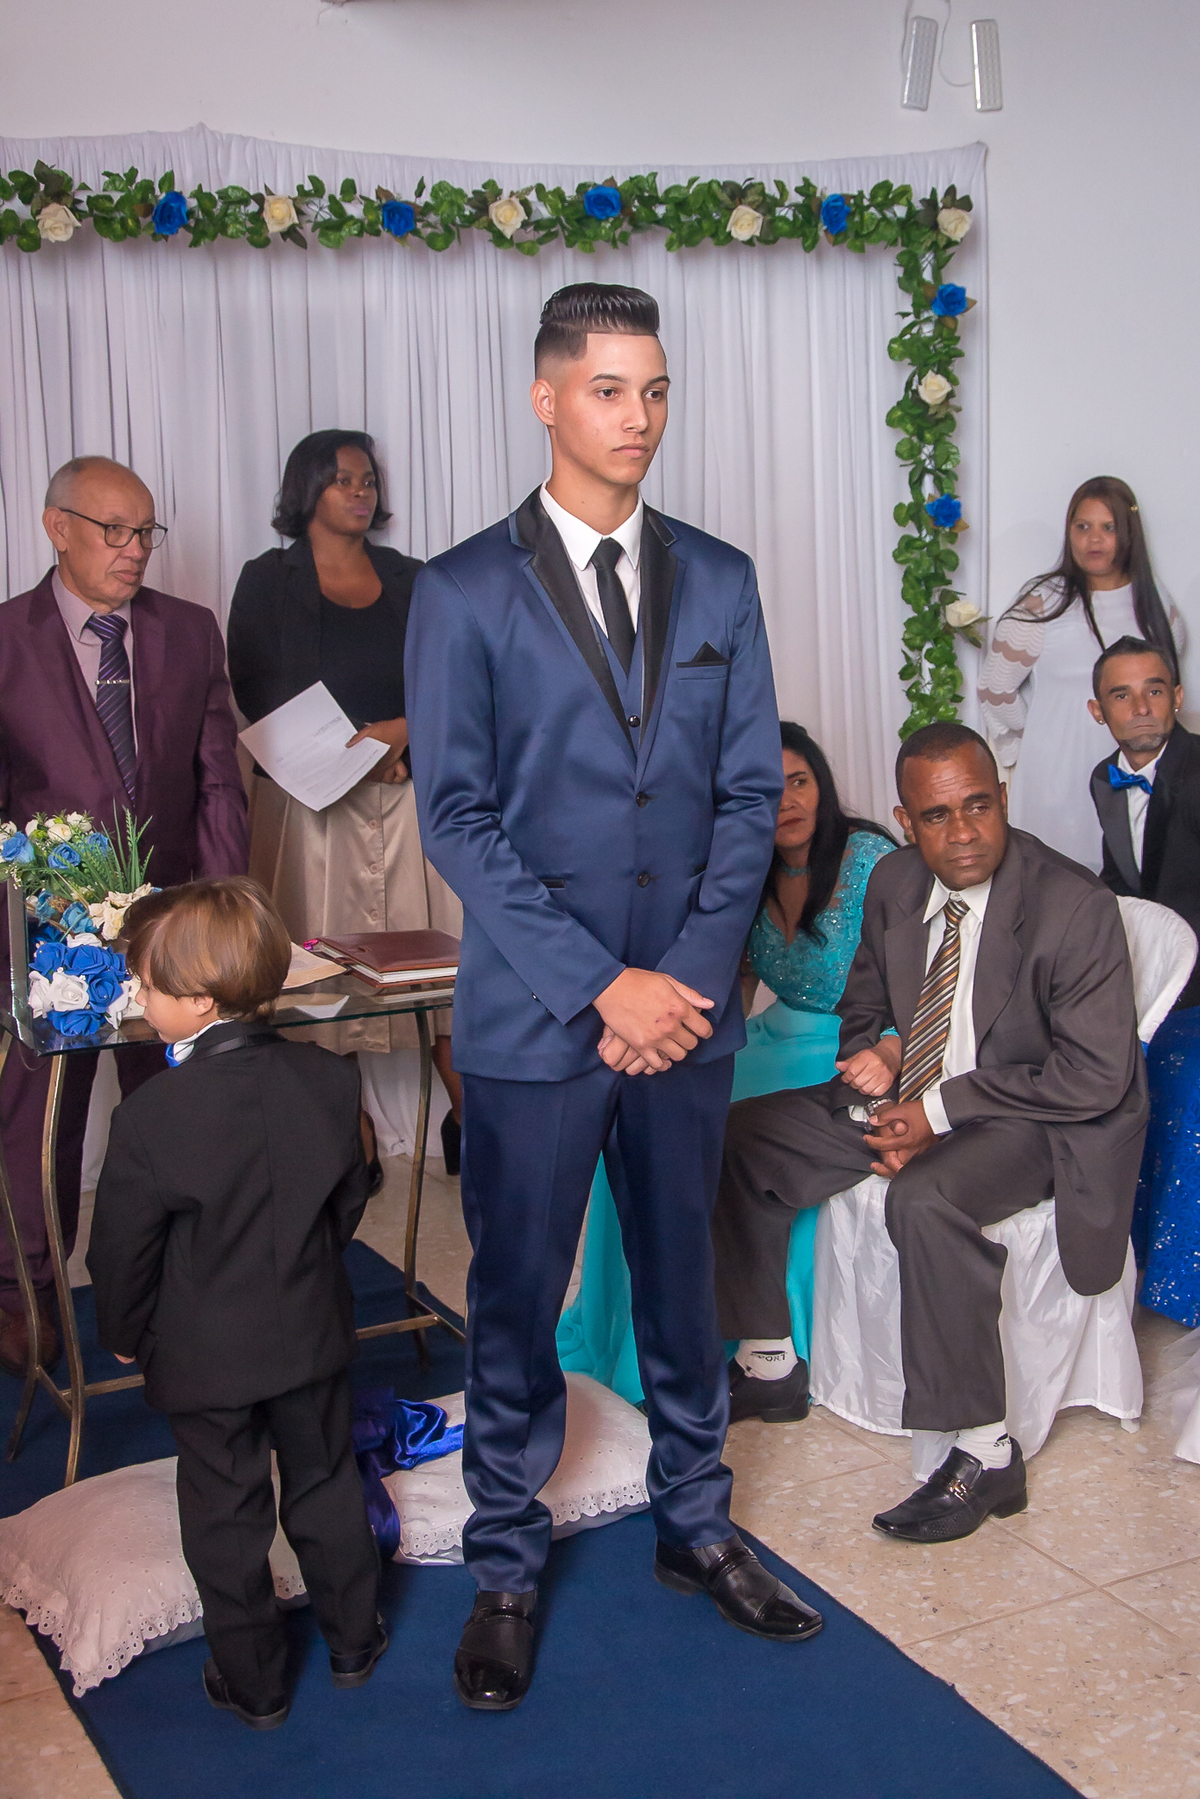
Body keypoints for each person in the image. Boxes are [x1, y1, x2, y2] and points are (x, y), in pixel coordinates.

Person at [407, 282, 823, 1713]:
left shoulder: (722, 577)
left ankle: (697, 1523)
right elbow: (457, 819)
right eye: (607, 389)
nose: (638, 416)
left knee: (682, 1281)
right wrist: (604, 986)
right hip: (539, 1017)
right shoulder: (462, 588)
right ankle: (507, 1564)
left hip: (685, 1016)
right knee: (516, 1295)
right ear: (546, 399)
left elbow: (750, 792)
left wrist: (686, 981)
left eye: (654, 389)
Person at [711, 722, 1147, 1542]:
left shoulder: (1072, 904)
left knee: (923, 1196)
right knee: (742, 1135)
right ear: (906, 822)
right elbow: (865, 1002)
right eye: (938, 815)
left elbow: (1094, 1076)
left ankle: (986, 1452)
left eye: (979, 805)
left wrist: (938, 1113)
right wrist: (881, 1047)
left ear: (1003, 798)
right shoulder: (896, 881)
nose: (965, 831)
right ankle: (768, 1362)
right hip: (911, 1096)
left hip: (1031, 1117)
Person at [86, 878, 385, 1731]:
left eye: (147, 985)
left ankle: (254, 1682)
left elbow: (122, 1251)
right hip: (312, 1333)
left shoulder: (151, 1116)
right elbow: (348, 1199)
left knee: (225, 1509)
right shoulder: (329, 1081)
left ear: (201, 1000)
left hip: (205, 1354)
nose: (138, 998)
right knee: (326, 1480)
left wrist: (123, 1332)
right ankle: (354, 1640)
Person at [557, 721, 894, 1418]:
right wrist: (700, 1051)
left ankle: (752, 1340)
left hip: (851, 1043)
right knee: (649, 1111)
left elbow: (911, 976)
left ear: (822, 784)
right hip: (773, 1033)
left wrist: (891, 1048)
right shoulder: (743, 869)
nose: (787, 801)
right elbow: (733, 981)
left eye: (799, 781)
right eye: (768, 790)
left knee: (724, 1136)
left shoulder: (869, 858)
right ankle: (641, 1336)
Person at [0, 456, 248, 1380]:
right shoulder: (4, 639)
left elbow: (219, 781)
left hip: (172, 928)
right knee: (40, 1126)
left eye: (145, 530)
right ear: (56, 526)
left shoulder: (189, 630)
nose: (134, 548)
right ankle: (27, 1296)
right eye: (113, 529)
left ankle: (167, 1289)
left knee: (176, 1115)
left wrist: (220, 922)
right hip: (48, 939)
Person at [226, 430, 463, 1180]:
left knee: (442, 964)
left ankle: (474, 1118)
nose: (360, 492)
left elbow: (453, 678)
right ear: (306, 490)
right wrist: (350, 758)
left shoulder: (413, 578)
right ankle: (347, 1132)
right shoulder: (268, 580)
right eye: (342, 480)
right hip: (309, 807)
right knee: (317, 973)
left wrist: (401, 736)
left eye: (367, 480)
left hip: (412, 793)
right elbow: (256, 687)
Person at [979, 476, 1184, 872]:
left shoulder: (1154, 602)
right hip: (1057, 780)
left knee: (1133, 883)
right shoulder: (1043, 601)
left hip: (1135, 777)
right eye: (1083, 526)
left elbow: (1168, 688)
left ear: (1128, 533)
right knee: (1055, 884)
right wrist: (1033, 742)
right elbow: (995, 687)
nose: (1094, 539)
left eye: (1108, 527)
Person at [1088, 636, 1200, 1325]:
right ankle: (1112, 1259)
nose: (1141, 706)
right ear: (1098, 710)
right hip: (1153, 984)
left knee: (1180, 1083)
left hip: (1196, 989)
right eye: (1122, 694)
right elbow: (1121, 880)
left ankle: (1176, 1281)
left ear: (1177, 698)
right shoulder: (1104, 779)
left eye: (1154, 689)